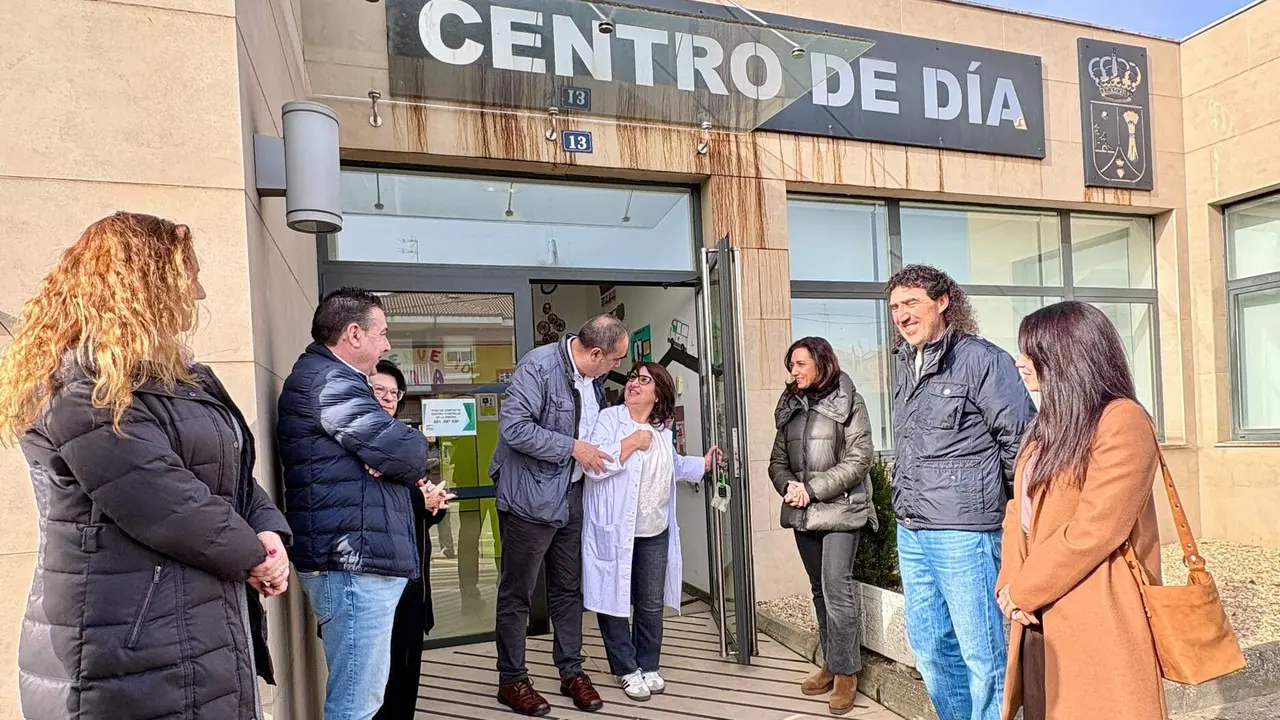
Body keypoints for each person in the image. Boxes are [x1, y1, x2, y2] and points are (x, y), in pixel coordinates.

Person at [0, 212, 291, 719]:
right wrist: (255, 554)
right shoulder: (78, 383)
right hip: (127, 642)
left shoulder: (178, 376)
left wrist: (268, 531)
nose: (198, 294)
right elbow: (162, 500)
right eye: (188, 278)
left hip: (188, 625)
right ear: (145, 285)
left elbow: (232, 473)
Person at [997, 302, 1164, 720]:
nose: (1020, 361)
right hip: (1037, 614)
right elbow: (1018, 511)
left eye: (1031, 351)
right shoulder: (1049, 424)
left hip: (1094, 609)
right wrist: (1009, 585)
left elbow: (1097, 528)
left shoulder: (1122, 420)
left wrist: (1023, 590)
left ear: (1066, 355)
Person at [277, 287, 438, 720]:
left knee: (364, 698)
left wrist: (387, 457)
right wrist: (404, 450)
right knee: (355, 706)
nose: (386, 344)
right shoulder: (329, 382)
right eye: (381, 333)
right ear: (353, 333)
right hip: (353, 566)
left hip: (359, 562)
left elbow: (392, 452)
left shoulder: (337, 380)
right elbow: (406, 452)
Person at [885, 265, 1036, 720]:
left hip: (966, 533)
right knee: (930, 647)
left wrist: (1011, 516)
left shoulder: (982, 360)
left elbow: (1021, 444)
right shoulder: (903, 361)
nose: (902, 315)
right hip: (912, 529)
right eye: (895, 306)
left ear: (943, 301)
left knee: (983, 655)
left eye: (911, 302)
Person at [489, 314, 631, 716]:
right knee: (517, 593)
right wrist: (572, 447)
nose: (617, 366)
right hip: (529, 501)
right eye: (616, 359)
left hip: (572, 497)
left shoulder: (594, 379)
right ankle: (512, 680)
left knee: (569, 591)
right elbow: (514, 429)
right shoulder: (538, 366)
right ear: (596, 353)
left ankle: (571, 672)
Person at [582, 363, 721, 702]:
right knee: (613, 598)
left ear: (658, 393)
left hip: (655, 530)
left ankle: (648, 664)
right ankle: (626, 669)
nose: (634, 383)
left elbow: (672, 466)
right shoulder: (608, 420)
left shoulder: (660, 431)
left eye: (644, 380)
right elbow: (593, 466)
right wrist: (630, 443)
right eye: (633, 377)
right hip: (617, 530)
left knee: (650, 603)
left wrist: (703, 464)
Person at [769, 337, 877, 716]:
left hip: (842, 510)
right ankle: (832, 662)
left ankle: (847, 674)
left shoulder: (850, 401)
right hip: (804, 513)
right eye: (791, 365)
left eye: (800, 364)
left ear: (821, 362)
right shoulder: (791, 405)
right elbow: (777, 461)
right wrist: (789, 487)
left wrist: (811, 489)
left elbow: (860, 459)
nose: (794, 371)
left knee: (836, 588)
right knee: (818, 590)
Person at [372, 360, 454, 720]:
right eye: (379, 391)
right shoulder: (354, 441)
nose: (388, 399)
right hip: (377, 577)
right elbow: (372, 503)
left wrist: (433, 505)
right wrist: (419, 500)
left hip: (413, 574)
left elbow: (418, 505)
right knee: (380, 678)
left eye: (394, 393)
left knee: (407, 669)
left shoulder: (404, 443)